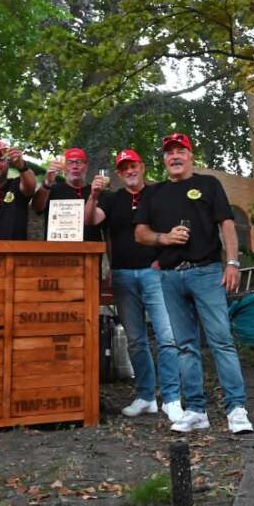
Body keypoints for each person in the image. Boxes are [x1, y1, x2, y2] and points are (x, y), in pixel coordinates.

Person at [133, 132, 253, 435]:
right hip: (170, 277)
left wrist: (232, 262)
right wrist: (164, 238)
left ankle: (236, 408)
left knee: (221, 341)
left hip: (207, 272)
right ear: (164, 159)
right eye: (169, 152)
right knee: (185, 346)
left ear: (190, 156)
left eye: (180, 151)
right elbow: (140, 233)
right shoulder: (154, 193)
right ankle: (196, 411)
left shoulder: (209, 184)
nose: (174, 156)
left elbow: (227, 224)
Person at [84, 149, 183, 422]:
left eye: (133, 165)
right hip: (123, 275)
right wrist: (93, 195)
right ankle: (146, 397)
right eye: (124, 167)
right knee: (136, 340)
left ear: (142, 166)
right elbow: (90, 220)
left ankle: (172, 398)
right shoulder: (111, 199)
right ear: (119, 173)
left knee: (166, 337)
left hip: (155, 274)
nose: (130, 171)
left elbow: (172, 230)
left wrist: (164, 261)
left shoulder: (159, 193)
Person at [31, 147, 102, 241]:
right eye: (69, 162)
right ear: (64, 168)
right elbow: (37, 208)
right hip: (56, 248)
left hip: (90, 248)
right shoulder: (52, 190)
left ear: (86, 166)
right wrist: (47, 183)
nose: (75, 166)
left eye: (79, 162)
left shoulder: (96, 191)